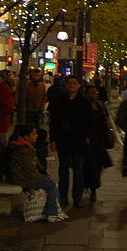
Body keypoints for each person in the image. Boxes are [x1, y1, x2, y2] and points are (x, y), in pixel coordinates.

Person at [47, 75, 93, 207]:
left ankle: (77, 197)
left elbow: (89, 122)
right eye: (70, 83)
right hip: (63, 140)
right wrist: (53, 139)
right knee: (63, 170)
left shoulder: (84, 102)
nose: (72, 86)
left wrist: (86, 137)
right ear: (66, 85)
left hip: (78, 141)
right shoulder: (60, 101)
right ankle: (63, 197)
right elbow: (54, 121)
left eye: (74, 83)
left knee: (78, 170)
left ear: (79, 85)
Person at [6, 123, 66, 222]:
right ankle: (51, 213)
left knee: (50, 183)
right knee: (51, 185)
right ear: (26, 136)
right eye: (33, 134)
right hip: (21, 177)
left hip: (21, 175)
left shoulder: (24, 147)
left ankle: (52, 211)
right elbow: (30, 171)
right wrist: (42, 177)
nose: (36, 136)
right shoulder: (23, 149)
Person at [83, 85, 114, 202]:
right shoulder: (83, 105)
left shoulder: (100, 105)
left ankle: (92, 186)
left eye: (95, 92)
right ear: (86, 94)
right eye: (91, 92)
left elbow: (106, 119)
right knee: (90, 165)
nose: (93, 95)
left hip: (99, 140)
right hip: (87, 140)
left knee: (98, 165)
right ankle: (91, 187)